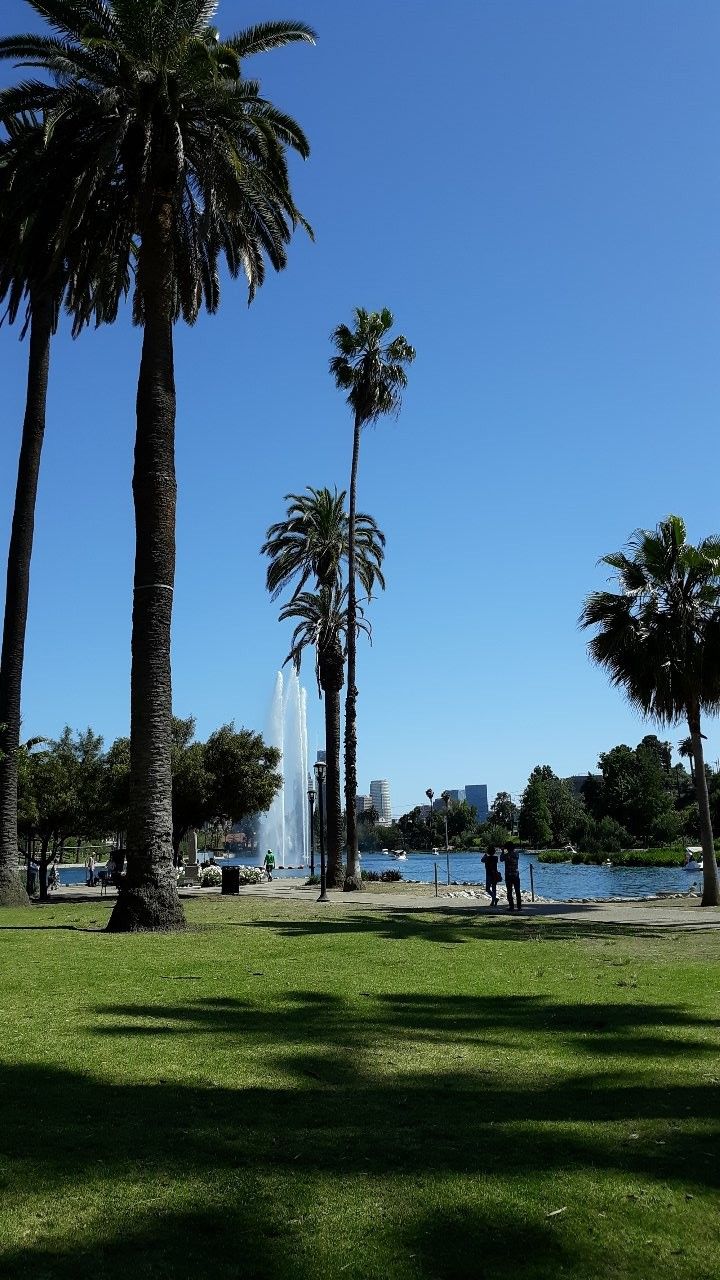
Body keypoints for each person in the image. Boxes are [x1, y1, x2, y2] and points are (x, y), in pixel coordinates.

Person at [501, 844, 522, 911]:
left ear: (507, 848)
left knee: (509, 891)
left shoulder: (506, 855)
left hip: (508, 875)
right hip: (516, 874)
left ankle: (511, 906)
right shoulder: (517, 854)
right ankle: (519, 907)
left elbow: (501, 859)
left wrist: (502, 851)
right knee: (517, 891)